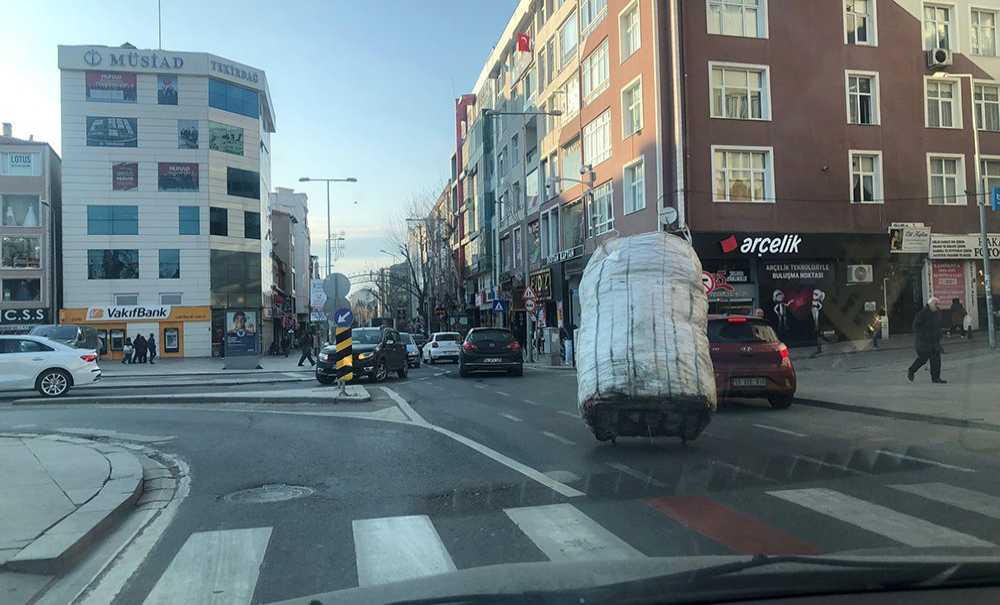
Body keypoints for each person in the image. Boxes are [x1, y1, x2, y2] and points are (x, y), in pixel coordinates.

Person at [907, 297, 946, 384]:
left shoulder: (936, 313)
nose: (937, 306)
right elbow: (915, 327)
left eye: (938, 304)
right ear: (930, 304)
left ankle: (936, 378)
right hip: (923, 342)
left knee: (936, 359)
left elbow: (938, 325)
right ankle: (911, 370)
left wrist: (939, 334)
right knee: (923, 359)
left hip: (933, 341)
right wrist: (924, 335)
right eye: (936, 304)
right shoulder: (922, 313)